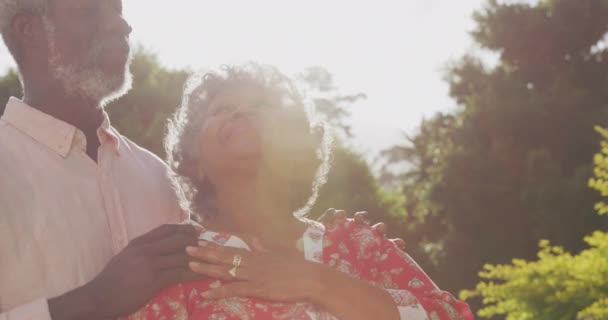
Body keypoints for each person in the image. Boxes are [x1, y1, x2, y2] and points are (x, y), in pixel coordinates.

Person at [0, 1, 392, 319]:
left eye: (118, 8)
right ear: (29, 30)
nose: (122, 25)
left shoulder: (157, 177)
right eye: (91, 10)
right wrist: (94, 301)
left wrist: (340, 252)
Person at [126, 63, 474, 320]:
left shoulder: (360, 244)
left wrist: (316, 281)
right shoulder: (179, 267)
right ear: (194, 158)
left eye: (262, 106)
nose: (242, 111)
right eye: (221, 109)